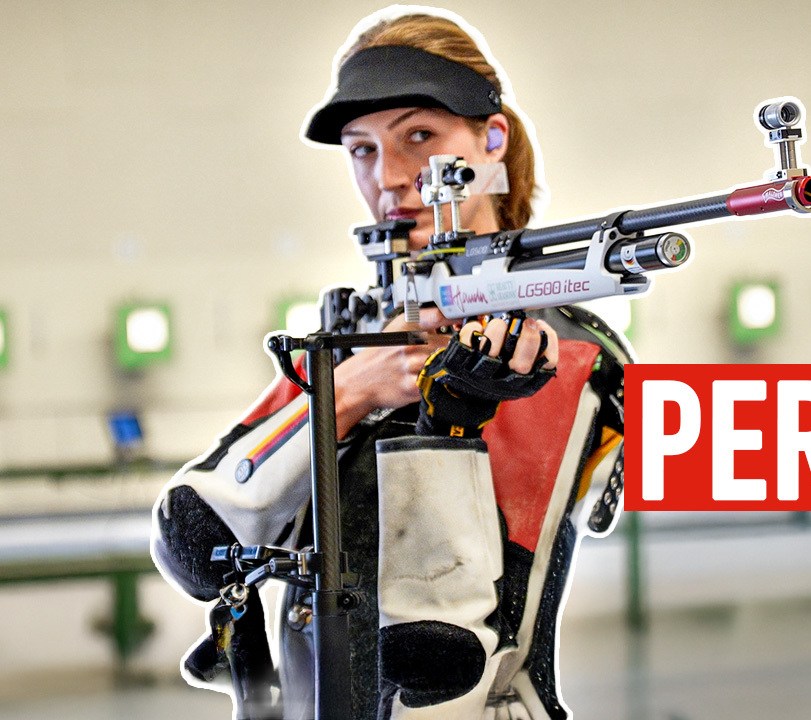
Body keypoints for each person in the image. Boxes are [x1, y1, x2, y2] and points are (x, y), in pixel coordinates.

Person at [151, 7, 630, 720]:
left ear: (492, 139)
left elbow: (447, 647)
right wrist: (352, 390)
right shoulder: (352, 334)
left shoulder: (573, 356)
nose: (392, 177)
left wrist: (449, 417)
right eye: (362, 150)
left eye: (419, 137)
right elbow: (195, 540)